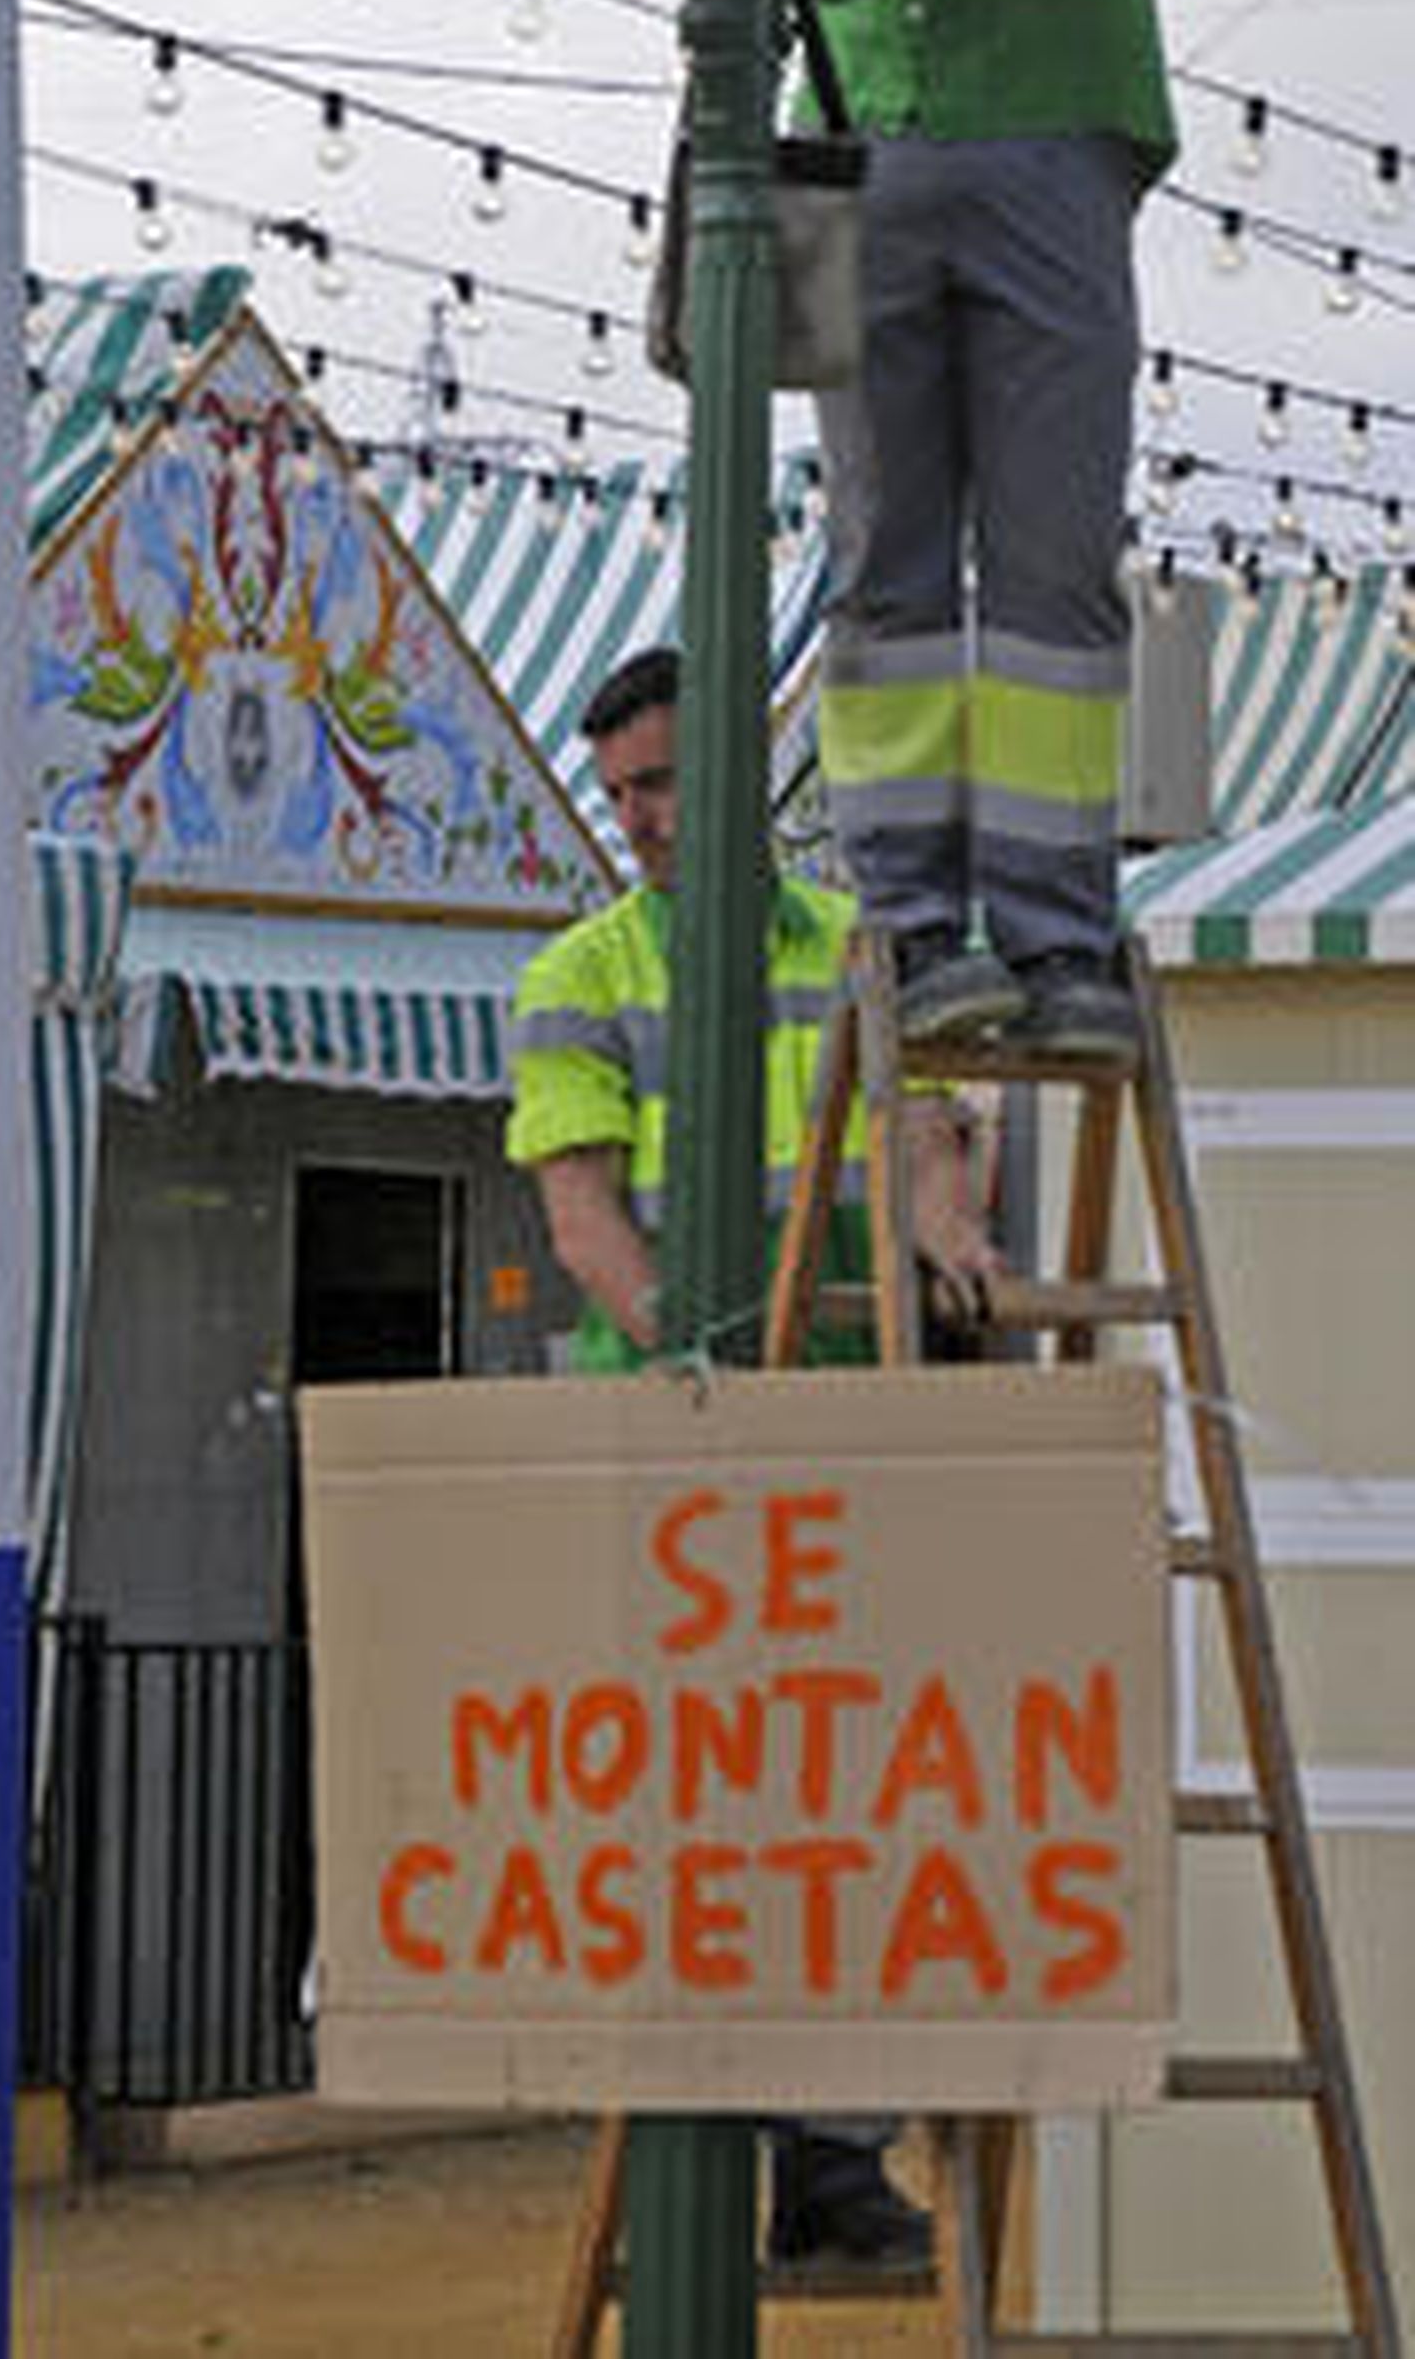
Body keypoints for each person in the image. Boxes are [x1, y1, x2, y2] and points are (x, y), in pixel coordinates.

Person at [506, 642, 997, 2270]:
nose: (640, 817)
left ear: (730, 785)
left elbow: (923, 1143)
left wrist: (947, 1234)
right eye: (623, 791)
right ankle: (675, 2160)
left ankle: (834, 2160)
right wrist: (699, 1358)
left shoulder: (861, 948)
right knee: (681, 1819)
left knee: (844, 1810)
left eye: (662, 783)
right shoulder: (578, 974)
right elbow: (582, 1217)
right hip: (679, 1450)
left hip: (849, 1435)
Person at [774, 0, 1204, 1063]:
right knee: (881, 555)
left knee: (1045, 567)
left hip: (1053, 149)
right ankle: (914, 917)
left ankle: (1050, 933)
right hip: (860, 134)